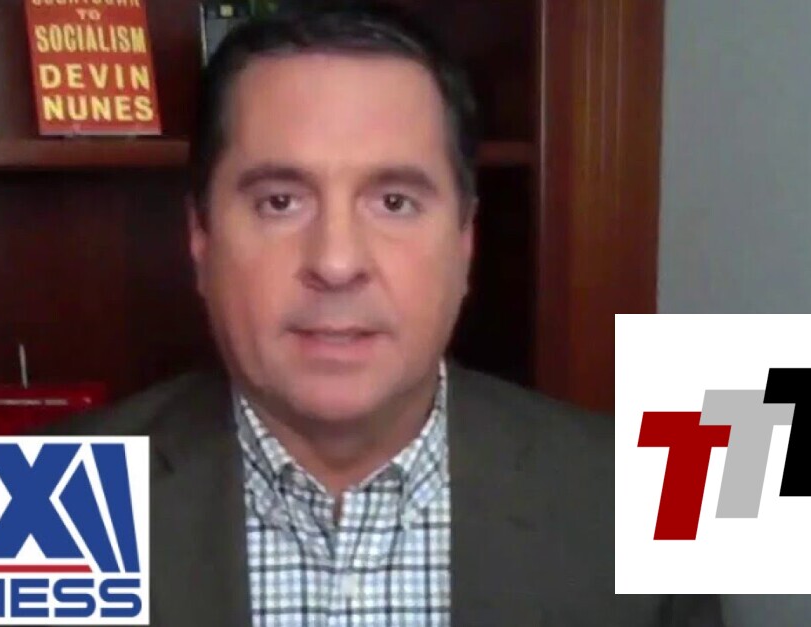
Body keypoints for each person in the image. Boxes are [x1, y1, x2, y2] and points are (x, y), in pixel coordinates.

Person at [54, 2, 721, 625]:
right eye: (280, 202)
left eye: (394, 202)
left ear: (464, 242)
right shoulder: (35, 504)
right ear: (201, 240)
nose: (336, 262)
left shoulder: (656, 501)